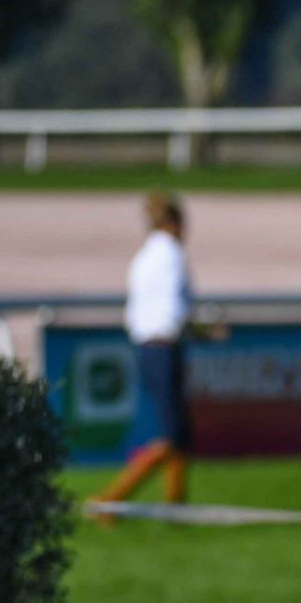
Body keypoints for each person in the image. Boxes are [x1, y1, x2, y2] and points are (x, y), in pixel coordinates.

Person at [99, 191, 195, 512]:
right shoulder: (171, 255)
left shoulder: (143, 256)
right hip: (164, 346)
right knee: (174, 436)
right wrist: (198, 329)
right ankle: (109, 500)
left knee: (178, 432)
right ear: (175, 223)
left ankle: (176, 505)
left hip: (145, 344)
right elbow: (172, 309)